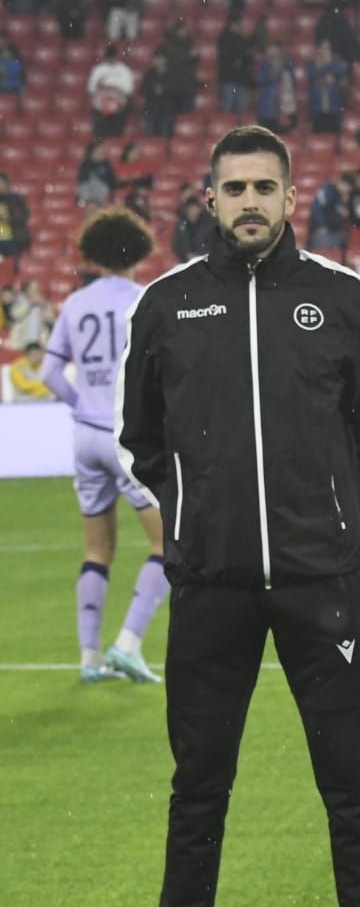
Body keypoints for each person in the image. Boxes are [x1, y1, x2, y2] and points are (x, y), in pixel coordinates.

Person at [106, 125, 360, 907]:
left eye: (265, 187)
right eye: (233, 188)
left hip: (318, 579)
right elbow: (142, 436)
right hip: (208, 585)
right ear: (207, 200)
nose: (249, 201)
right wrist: (197, 511)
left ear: (294, 197)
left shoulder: (339, 295)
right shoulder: (167, 305)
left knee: (349, 779)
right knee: (198, 784)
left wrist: (329, 505)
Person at [40, 208, 170, 684]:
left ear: (92, 254)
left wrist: (83, 405)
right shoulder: (144, 300)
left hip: (85, 437)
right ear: (138, 251)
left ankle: (90, 658)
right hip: (127, 437)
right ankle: (128, 644)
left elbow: (50, 373)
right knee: (168, 542)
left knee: (97, 548)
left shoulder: (76, 304)